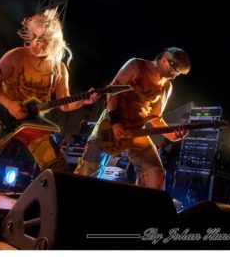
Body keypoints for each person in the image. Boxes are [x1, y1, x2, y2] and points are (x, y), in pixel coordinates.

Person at [0, 8, 98, 221]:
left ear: (53, 42)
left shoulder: (59, 69)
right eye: (33, 37)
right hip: (3, 117)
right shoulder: (16, 55)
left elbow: (65, 104)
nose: (35, 43)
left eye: (41, 39)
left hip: (33, 124)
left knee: (56, 166)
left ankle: (52, 217)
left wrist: (83, 100)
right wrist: (9, 103)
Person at [74, 47, 191, 191]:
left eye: (177, 73)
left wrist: (173, 136)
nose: (173, 75)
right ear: (164, 60)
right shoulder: (136, 65)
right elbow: (112, 92)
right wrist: (116, 123)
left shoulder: (167, 86)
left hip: (136, 130)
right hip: (110, 122)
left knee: (155, 172)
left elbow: (155, 117)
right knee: (88, 167)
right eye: (172, 69)